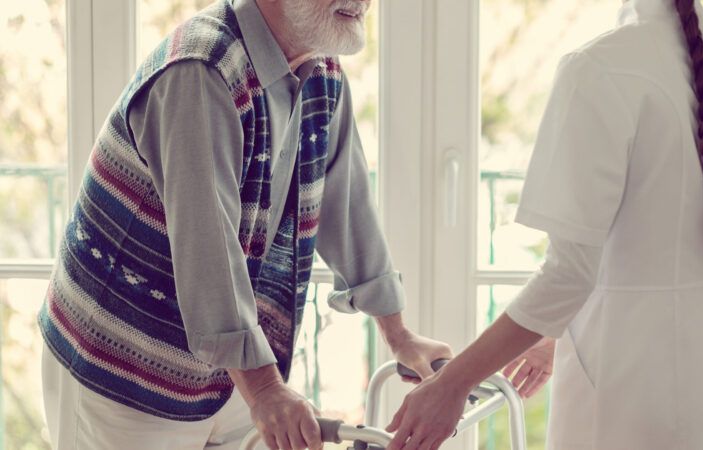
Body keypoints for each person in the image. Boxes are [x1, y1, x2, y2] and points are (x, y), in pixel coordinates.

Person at [37, 0, 453, 449]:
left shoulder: (321, 72)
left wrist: (399, 334)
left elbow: (349, 209)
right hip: (121, 367)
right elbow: (208, 256)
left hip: (226, 364)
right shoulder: (201, 72)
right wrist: (265, 389)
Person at [385, 0, 703, 449]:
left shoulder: (598, 68)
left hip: (635, 387)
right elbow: (661, 244)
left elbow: (568, 274)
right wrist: (553, 335)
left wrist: (452, 385)